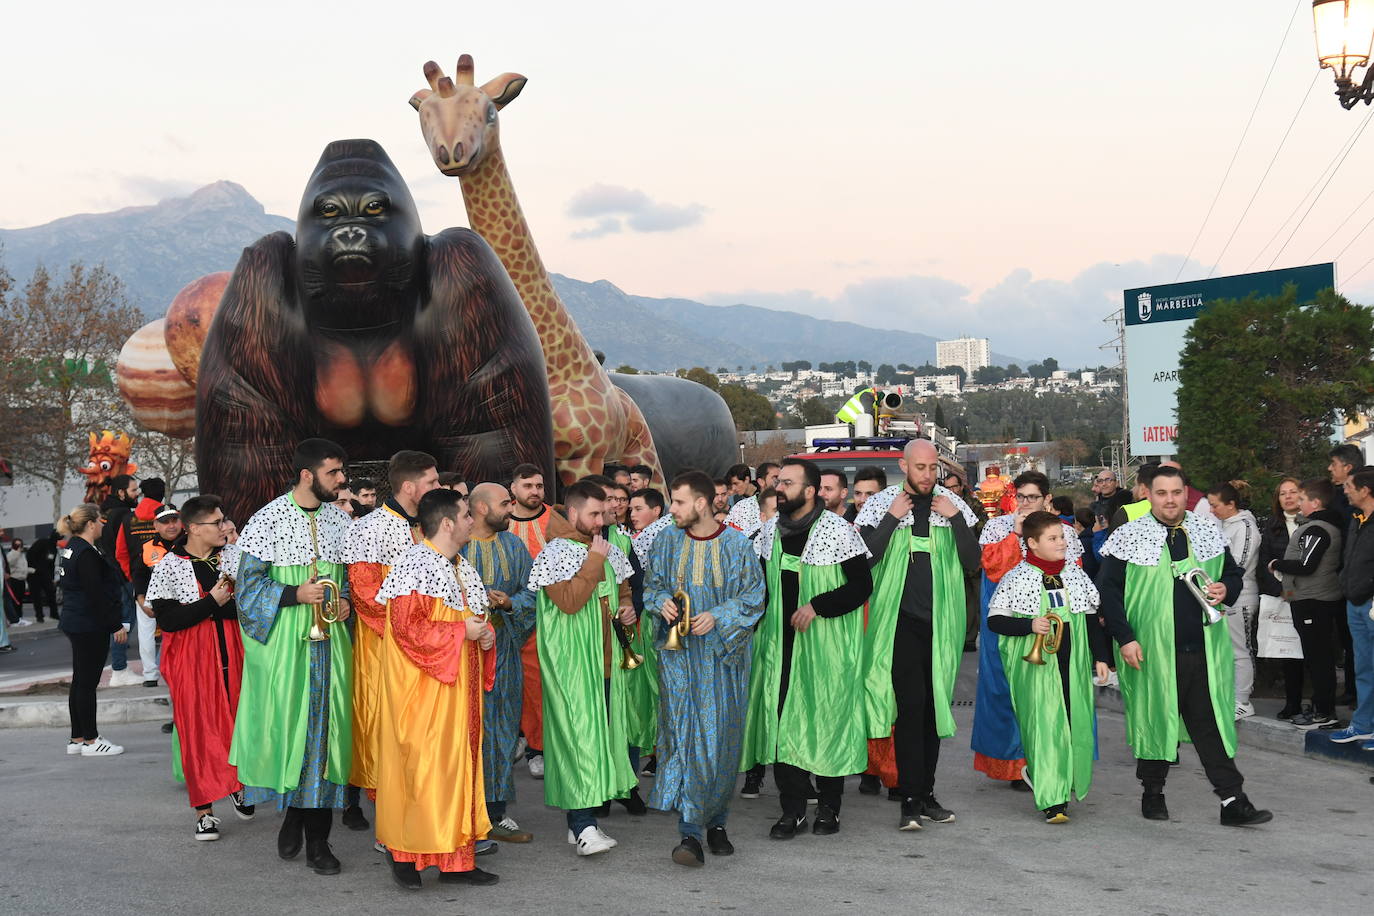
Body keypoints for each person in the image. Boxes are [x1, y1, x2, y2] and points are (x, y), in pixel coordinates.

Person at [1096, 466, 1271, 826]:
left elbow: (1233, 575)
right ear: (1149, 494)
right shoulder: (1129, 534)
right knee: (1155, 719)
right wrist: (1124, 638)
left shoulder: (1207, 529)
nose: (1170, 500)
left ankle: (1233, 801)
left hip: (1203, 648)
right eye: (1162, 493)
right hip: (1150, 650)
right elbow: (1108, 592)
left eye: (1176, 492)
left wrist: (1226, 589)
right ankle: (1152, 793)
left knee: (1210, 724)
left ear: (1185, 493)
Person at [230, 438, 356, 876]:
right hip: (288, 653)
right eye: (334, 473)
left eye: (342, 472)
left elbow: (356, 584)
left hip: (333, 650)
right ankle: (295, 814)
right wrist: (293, 593)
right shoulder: (266, 520)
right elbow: (246, 593)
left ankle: (317, 839)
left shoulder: (342, 524)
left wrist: (347, 605)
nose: (343, 481)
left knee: (325, 739)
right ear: (308, 475)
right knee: (295, 737)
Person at [375, 488, 499, 890]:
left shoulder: (461, 565)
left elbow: (470, 618)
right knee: (423, 772)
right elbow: (406, 630)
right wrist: (462, 630)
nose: (471, 520)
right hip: (426, 693)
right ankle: (405, 856)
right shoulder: (414, 565)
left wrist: (483, 635)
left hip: (459, 689)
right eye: (466, 515)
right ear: (447, 522)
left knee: (457, 771)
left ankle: (456, 861)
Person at [743, 458, 872, 839]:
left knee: (827, 720)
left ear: (811, 491)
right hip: (779, 649)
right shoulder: (768, 533)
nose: (779, 488)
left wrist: (818, 606)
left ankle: (829, 807)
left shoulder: (838, 531)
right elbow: (757, 589)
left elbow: (861, 587)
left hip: (826, 649)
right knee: (784, 724)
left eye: (787, 482)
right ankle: (793, 809)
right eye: (778, 482)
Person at [855, 439, 979, 831]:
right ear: (903, 465)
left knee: (934, 707)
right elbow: (864, 560)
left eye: (932, 468)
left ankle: (926, 794)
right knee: (910, 708)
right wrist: (891, 519)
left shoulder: (951, 504)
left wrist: (956, 517)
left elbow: (973, 563)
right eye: (920, 467)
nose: (928, 475)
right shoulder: (883, 503)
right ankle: (908, 799)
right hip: (898, 623)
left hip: (943, 624)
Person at [644, 471, 765, 866]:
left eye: (677, 502)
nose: (671, 509)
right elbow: (651, 585)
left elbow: (754, 597)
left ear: (700, 503)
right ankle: (691, 832)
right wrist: (660, 601)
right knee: (683, 738)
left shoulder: (736, 545)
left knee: (718, 744)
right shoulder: (665, 540)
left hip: (721, 661)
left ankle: (717, 821)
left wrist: (719, 615)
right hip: (677, 660)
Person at [526, 480, 637, 856]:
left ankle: (581, 824)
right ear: (573, 513)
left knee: (597, 741)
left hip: (606, 665)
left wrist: (627, 606)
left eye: (604, 514)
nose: (600, 521)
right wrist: (595, 560)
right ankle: (583, 826)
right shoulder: (555, 552)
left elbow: (622, 589)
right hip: (573, 666)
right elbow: (571, 601)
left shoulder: (603, 547)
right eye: (593, 513)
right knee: (578, 742)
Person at [987, 511, 1110, 823]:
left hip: (1072, 663)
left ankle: (1062, 781)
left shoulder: (1075, 575)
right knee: (1044, 726)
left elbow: (1090, 619)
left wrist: (1101, 657)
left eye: (1062, 537)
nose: (1062, 543)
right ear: (1033, 543)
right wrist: (1029, 624)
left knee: (1071, 722)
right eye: (1053, 538)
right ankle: (1053, 801)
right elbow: (996, 621)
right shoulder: (1016, 577)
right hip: (1038, 668)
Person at [339, 451, 439, 829]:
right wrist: (415, 632)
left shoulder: (435, 524)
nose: (437, 488)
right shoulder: (368, 529)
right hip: (387, 648)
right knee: (387, 728)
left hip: (434, 646)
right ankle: (391, 822)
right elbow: (366, 595)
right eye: (431, 482)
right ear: (410, 486)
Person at [146, 495, 253, 841]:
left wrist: (216, 605)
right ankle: (204, 811)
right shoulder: (170, 565)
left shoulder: (234, 557)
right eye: (217, 523)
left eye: (224, 520)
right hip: (193, 656)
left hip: (234, 650)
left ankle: (237, 783)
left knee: (238, 717)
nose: (225, 528)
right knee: (198, 729)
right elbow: (168, 619)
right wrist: (212, 602)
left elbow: (247, 605)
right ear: (193, 528)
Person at [971, 470, 1082, 792]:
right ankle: (1016, 763)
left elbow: (1072, 575)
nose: (1026, 503)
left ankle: (1055, 761)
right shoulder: (998, 527)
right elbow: (993, 571)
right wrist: (1017, 536)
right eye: (1020, 497)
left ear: (1047, 499)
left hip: (1051, 621)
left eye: (1033, 497)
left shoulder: (1063, 533)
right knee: (1009, 693)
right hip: (1009, 624)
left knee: (1055, 694)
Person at [461, 483, 537, 844]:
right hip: (462, 656)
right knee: (466, 731)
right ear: (479, 508)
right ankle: (463, 814)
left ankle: (496, 812)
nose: (511, 508)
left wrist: (509, 605)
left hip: (504, 651)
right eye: (504, 503)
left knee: (503, 728)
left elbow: (532, 594)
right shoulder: (456, 546)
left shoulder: (514, 545)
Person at [507, 463, 575, 780]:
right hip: (508, 618)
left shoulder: (556, 520)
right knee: (511, 682)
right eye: (528, 486)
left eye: (539, 486)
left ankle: (539, 747)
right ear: (513, 490)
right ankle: (519, 736)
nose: (535, 491)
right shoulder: (501, 522)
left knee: (540, 685)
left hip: (549, 618)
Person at [1269, 478, 1344, 731]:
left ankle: (1324, 712)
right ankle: (1322, 708)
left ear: (1315, 502)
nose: (1297, 503)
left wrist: (1276, 564)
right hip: (1309, 598)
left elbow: (1306, 565)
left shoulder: (1318, 529)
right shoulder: (1316, 526)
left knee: (1319, 658)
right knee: (1316, 656)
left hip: (1314, 600)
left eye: (1301, 499)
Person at [57, 503, 127, 757]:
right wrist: (115, 624)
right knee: (87, 683)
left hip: (76, 620)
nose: (102, 524)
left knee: (80, 681)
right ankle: (91, 740)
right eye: (99, 520)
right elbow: (95, 593)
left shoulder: (72, 547)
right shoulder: (85, 553)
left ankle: (77, 738)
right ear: (90, 524)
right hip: (88, 624)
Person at [1207, 481, 1261, 719]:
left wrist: (1223, 582)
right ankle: (1232, 695)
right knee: (1228, 649)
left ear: (1231, 504)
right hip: (1224, 594)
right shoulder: (1223, 525)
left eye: (1215, 505)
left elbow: (1239, 564)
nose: (1211, 510)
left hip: (1242, 596)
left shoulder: (1246, 527)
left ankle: (1244, 700)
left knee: (1242, 650)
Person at [1332, 467, 1374, 748]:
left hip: (1372, 603)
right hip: (1354, 603)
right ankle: (1363, 725)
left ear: (1365, 489)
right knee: (1363, 668)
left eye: (1349, 486)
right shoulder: (1357, 519)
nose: (1344, 490)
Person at [1258, 478, 1304, 719]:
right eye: (1282, 493)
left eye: (1293, 492)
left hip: (1310, 595)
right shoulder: (1272, 526)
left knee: (1314, 652)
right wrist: (1280, 589)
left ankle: (1319, 705)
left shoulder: (1313, 522)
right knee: (1289, 653)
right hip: (1282, 597)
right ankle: (1292, 703)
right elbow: (1264, 561)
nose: (1287, 497)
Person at [132, 504, 185, 687]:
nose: (171, 526)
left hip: (181, 599)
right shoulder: (147, 547)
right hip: (151, 597)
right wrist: (140, 599)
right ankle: (150, 675)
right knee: (146, 633)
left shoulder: (190, 542)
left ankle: (175, 669)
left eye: (174, 520)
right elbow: (139, 574)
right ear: (156, 525)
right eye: (165, 522)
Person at [1329, 445, 1363, 704]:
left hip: (1360, 587)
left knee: (1359, 646)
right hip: (1346, 583)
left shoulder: (1352, 504)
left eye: (1334, 464)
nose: (1330, 469)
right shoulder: (1338, 496)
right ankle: (1353, 691)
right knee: (1350, 643)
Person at [27, 531, 60, 624]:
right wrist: (35, 568)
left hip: (46, 575)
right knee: (36, 596)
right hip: (34, 575)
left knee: (51, 594)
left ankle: (54, 614)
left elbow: (52, 564)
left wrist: (52, 577)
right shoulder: (42, 542)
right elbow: (30, 554)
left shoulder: (54, 549)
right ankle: (39, 616)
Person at [7, 538, 30, 624]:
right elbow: (10, 563)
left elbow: (23, 566)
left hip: (22, 580)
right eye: (17, 545)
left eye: (20, 545)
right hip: (14, 579)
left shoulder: (22, 555)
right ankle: (15, 618)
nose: (19, 547)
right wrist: (17, 552)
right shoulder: (11, 554)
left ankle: (20, 617)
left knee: (20, 599)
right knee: (15, 600)